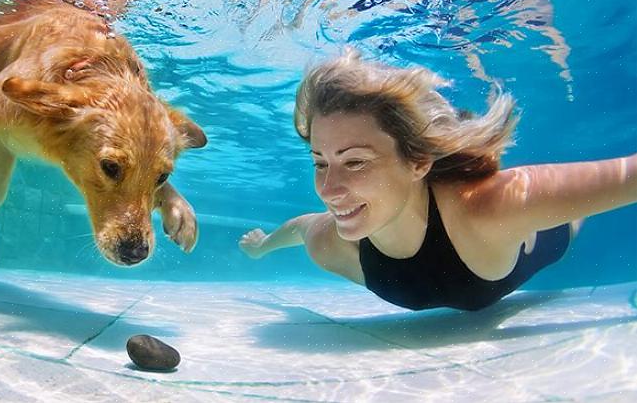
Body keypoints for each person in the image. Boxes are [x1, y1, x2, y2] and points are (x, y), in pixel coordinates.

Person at [239, 49, 637, 311]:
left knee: (563, 211)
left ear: (418, 162)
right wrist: (261, 247)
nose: (329, 189)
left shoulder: (491, 206)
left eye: (356, 162)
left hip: (544, 234)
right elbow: (301, 227)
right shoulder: (331, 244)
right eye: (321, 163)